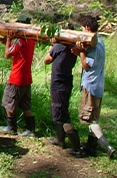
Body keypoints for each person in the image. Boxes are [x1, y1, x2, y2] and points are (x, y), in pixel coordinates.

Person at [77, 15, 116, 158]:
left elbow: (86, 65)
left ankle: (107, 146)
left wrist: (81, 52)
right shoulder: (100, 41)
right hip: (98, 85)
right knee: (94, 116)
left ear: (87, 28)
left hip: (91, 85)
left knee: (90, 119)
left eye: (82, 28)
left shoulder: (94, 46)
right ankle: (90, 146)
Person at [44, 26, 85, 157]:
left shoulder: (59, 47)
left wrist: (53, 45)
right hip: (66, 82)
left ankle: (77, 148)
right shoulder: (73, 47)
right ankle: (60, 140)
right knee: (60, 110)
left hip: (59, 83)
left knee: (61, 114)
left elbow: (46, 60)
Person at [0, 14, 37, 136]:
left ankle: (11, 127)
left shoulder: (21, 41)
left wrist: (9, 40)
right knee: (26, 105)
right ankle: (30, 129)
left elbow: (7, 54)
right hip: (26, 77)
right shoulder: (31, 39)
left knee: (8, 101)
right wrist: (7, 42)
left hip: (17, 77)